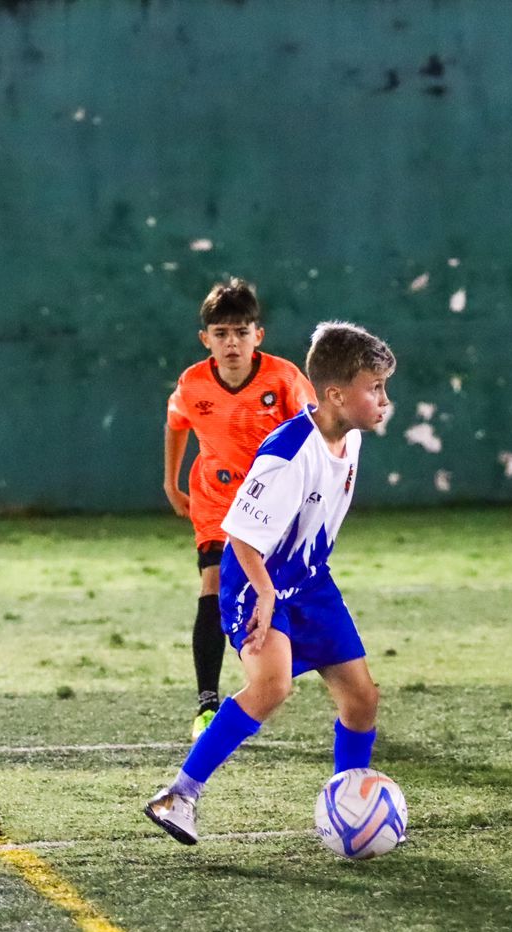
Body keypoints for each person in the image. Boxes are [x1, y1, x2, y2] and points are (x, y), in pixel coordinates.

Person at [145, 321, 395, 845]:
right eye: (374, 388)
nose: (383, 399)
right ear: (335, 395)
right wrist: (262, 592)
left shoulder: (348, 438)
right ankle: (179, 794)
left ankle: (351, 800)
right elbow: (239, 534)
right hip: (253, 577)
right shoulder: (286, 454)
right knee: (271, 685)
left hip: (307, 581)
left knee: (362, 699)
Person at [164, 279, 316, 739]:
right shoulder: (192, 384)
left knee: (290, 595)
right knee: (211, 588)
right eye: (221, 332)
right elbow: (176, 425)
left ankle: (291, 674)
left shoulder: (284, 378)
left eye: (241, 332)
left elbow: (315, 432)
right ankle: (207, 703)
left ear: (258, 336)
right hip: (215, 503)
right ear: (205, 339)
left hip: (275, 510)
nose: (232, 342)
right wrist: (171, 483)